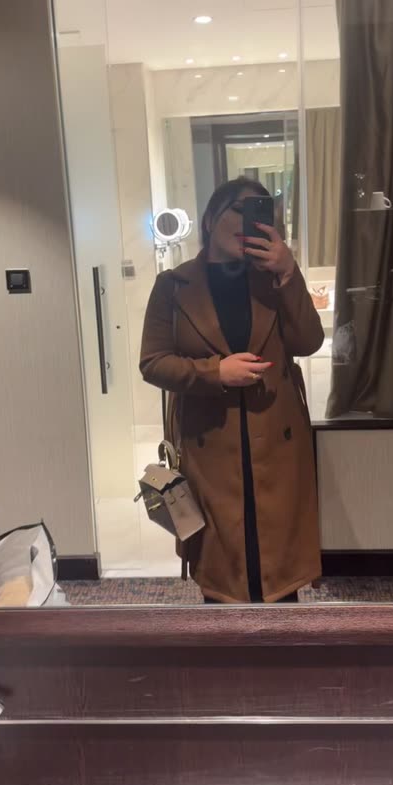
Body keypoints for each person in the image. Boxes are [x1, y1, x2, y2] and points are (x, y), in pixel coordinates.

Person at [140, 177, 324, 604]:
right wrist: (215, 372)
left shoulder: (272, 279)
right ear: (209, 219)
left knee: (278, 567)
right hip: (210, 447)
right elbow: (153, 361)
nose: (249, 223)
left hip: (276, 442)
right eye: (239, 210)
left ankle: (281, 640)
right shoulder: (173, 286)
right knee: (223, 571)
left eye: (259, 213)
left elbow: (308, 341)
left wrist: (288, 272)